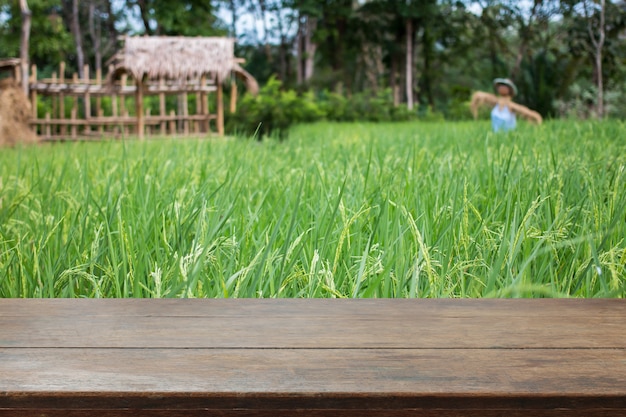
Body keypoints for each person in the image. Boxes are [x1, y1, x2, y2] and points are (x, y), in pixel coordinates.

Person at [470, 78, 542, 132]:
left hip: (508, 134)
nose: (501, 87)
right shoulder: (495, 102)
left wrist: (536, 119)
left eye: (504, 86)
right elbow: (480, 96)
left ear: (510, 90)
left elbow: (526, 112)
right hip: (496, 134)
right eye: (500, 86)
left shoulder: (511, 106)